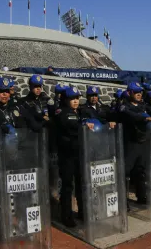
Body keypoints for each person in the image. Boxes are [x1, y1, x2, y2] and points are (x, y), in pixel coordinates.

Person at [0, 77, 42, 236]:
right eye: (1, 92)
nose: (4, 95)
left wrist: (43, 127)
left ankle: (21, 224)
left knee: (20, 192)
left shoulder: (18, 106)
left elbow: (32, 123)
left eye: (7, 91)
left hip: (16, 158)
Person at [54, 86, 95, 227]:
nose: (75, 101)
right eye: (72, 99)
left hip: (79, 154)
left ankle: (83, 212)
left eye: (77, 98)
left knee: (81, 183)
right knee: (67, 186)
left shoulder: (80, 112)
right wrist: (83, 124)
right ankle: (66, 216)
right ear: (66, 100)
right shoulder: (62, 111)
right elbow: (69, 123)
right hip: (67, 155)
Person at [119, 82, 151, 205]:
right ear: (129, 93)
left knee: (140, 171)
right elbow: (132, 115)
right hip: (130, 143)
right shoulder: (124, 106)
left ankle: (141, 196)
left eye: (140, 92)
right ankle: (123, 201)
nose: (139, 94)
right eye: (136, 92)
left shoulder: (143, 105)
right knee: (125, 172)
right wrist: (146, 118)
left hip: (142, 142)